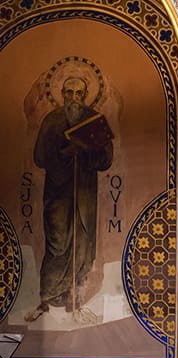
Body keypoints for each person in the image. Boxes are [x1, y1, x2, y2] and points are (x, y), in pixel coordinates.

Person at [28, 76, 114, 322]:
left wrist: (87, 152)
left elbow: (106, 159)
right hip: (57, 195)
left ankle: (74, 303)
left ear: (86, 95)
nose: (74, 98)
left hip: (84, 196)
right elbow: (39, 158)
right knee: (57, 246)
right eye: (69, 93)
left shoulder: (95, 120)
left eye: (79, 94)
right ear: (62, 94)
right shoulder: (51, 121)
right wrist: (66, 153)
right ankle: (45, 301)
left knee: (83, 246)